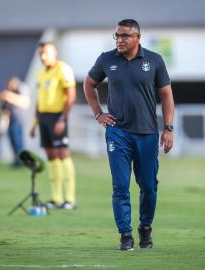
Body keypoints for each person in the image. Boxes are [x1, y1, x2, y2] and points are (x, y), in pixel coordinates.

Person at [83, 19, 175, 250]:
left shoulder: (154, 60)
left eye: (125, 35)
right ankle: (125, 235)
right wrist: (98, 114)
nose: (119, 40)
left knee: (148, 186)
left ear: (138, 37)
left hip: (147, 134)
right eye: (117, 35)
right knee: (120, 186)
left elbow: (166, 95)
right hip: (118, 133)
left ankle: (145, 228)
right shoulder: (106, 59)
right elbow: (89, 83)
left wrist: (168, 128)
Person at [30, 42, 77, 210]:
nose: (43, 56)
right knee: (50, 155)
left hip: (57, 116)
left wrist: (62, 119)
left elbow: (71, 95)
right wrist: (34, 123)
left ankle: (70, 199)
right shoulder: (41, 73)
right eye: (41, 53)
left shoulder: (63, 69)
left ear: (54, 52)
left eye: (46, 53)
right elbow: (39, 99)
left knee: (63, 153)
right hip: (43, 117)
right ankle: (56, 198)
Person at [0, 77, 31, 167]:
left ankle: (22, 161)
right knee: (12, 142)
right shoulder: (7, 92)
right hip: (10, 120)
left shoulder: (20, 90)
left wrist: (9, 96)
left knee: (18, 142)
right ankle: (16, 160)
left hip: (18, 121)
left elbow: (25, 102)